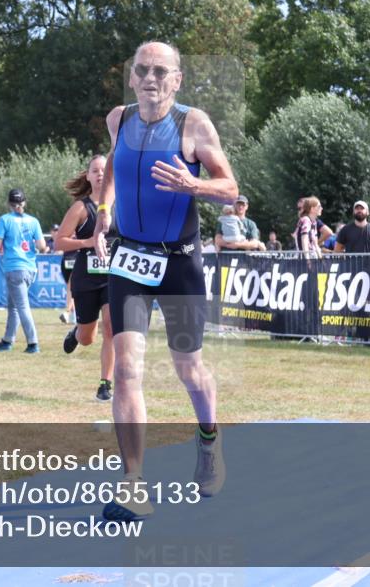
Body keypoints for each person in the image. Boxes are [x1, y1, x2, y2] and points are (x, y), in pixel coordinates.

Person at [93, 41, 237, 521]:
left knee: (188, 368)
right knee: (128, 368)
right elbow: (113, 165)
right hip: (129, 259)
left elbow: (231, 189)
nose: (150, 78)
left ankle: (209, 440)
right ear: (131, 78)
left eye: (161, 71)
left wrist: (194, 185)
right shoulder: (118, 119)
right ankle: (134, 483)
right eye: (142, 70)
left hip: (178, 262)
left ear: (176, 80)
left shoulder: (193, 124)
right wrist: (104, 211)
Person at [55, 155, 116, 402]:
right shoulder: (81, 208)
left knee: (111, 328)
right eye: (95, 170)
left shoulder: (122, 204)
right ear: (88, 176)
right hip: (87, 279)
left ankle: (105, 384)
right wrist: (89, 242)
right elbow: (59, 241)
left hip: (114, 276)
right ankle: (77, 332)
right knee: (88, 338)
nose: (100, 173)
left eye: (104, 170)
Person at [0, 188, 48, 353]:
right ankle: (8, 340)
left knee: (22, 306)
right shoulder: (33, 221)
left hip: (14, 267)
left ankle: (33, 343)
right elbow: (42, 246)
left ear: (9, 203)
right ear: (24, 203)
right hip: (30, 268)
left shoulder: (5, 220)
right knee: (14, 305)